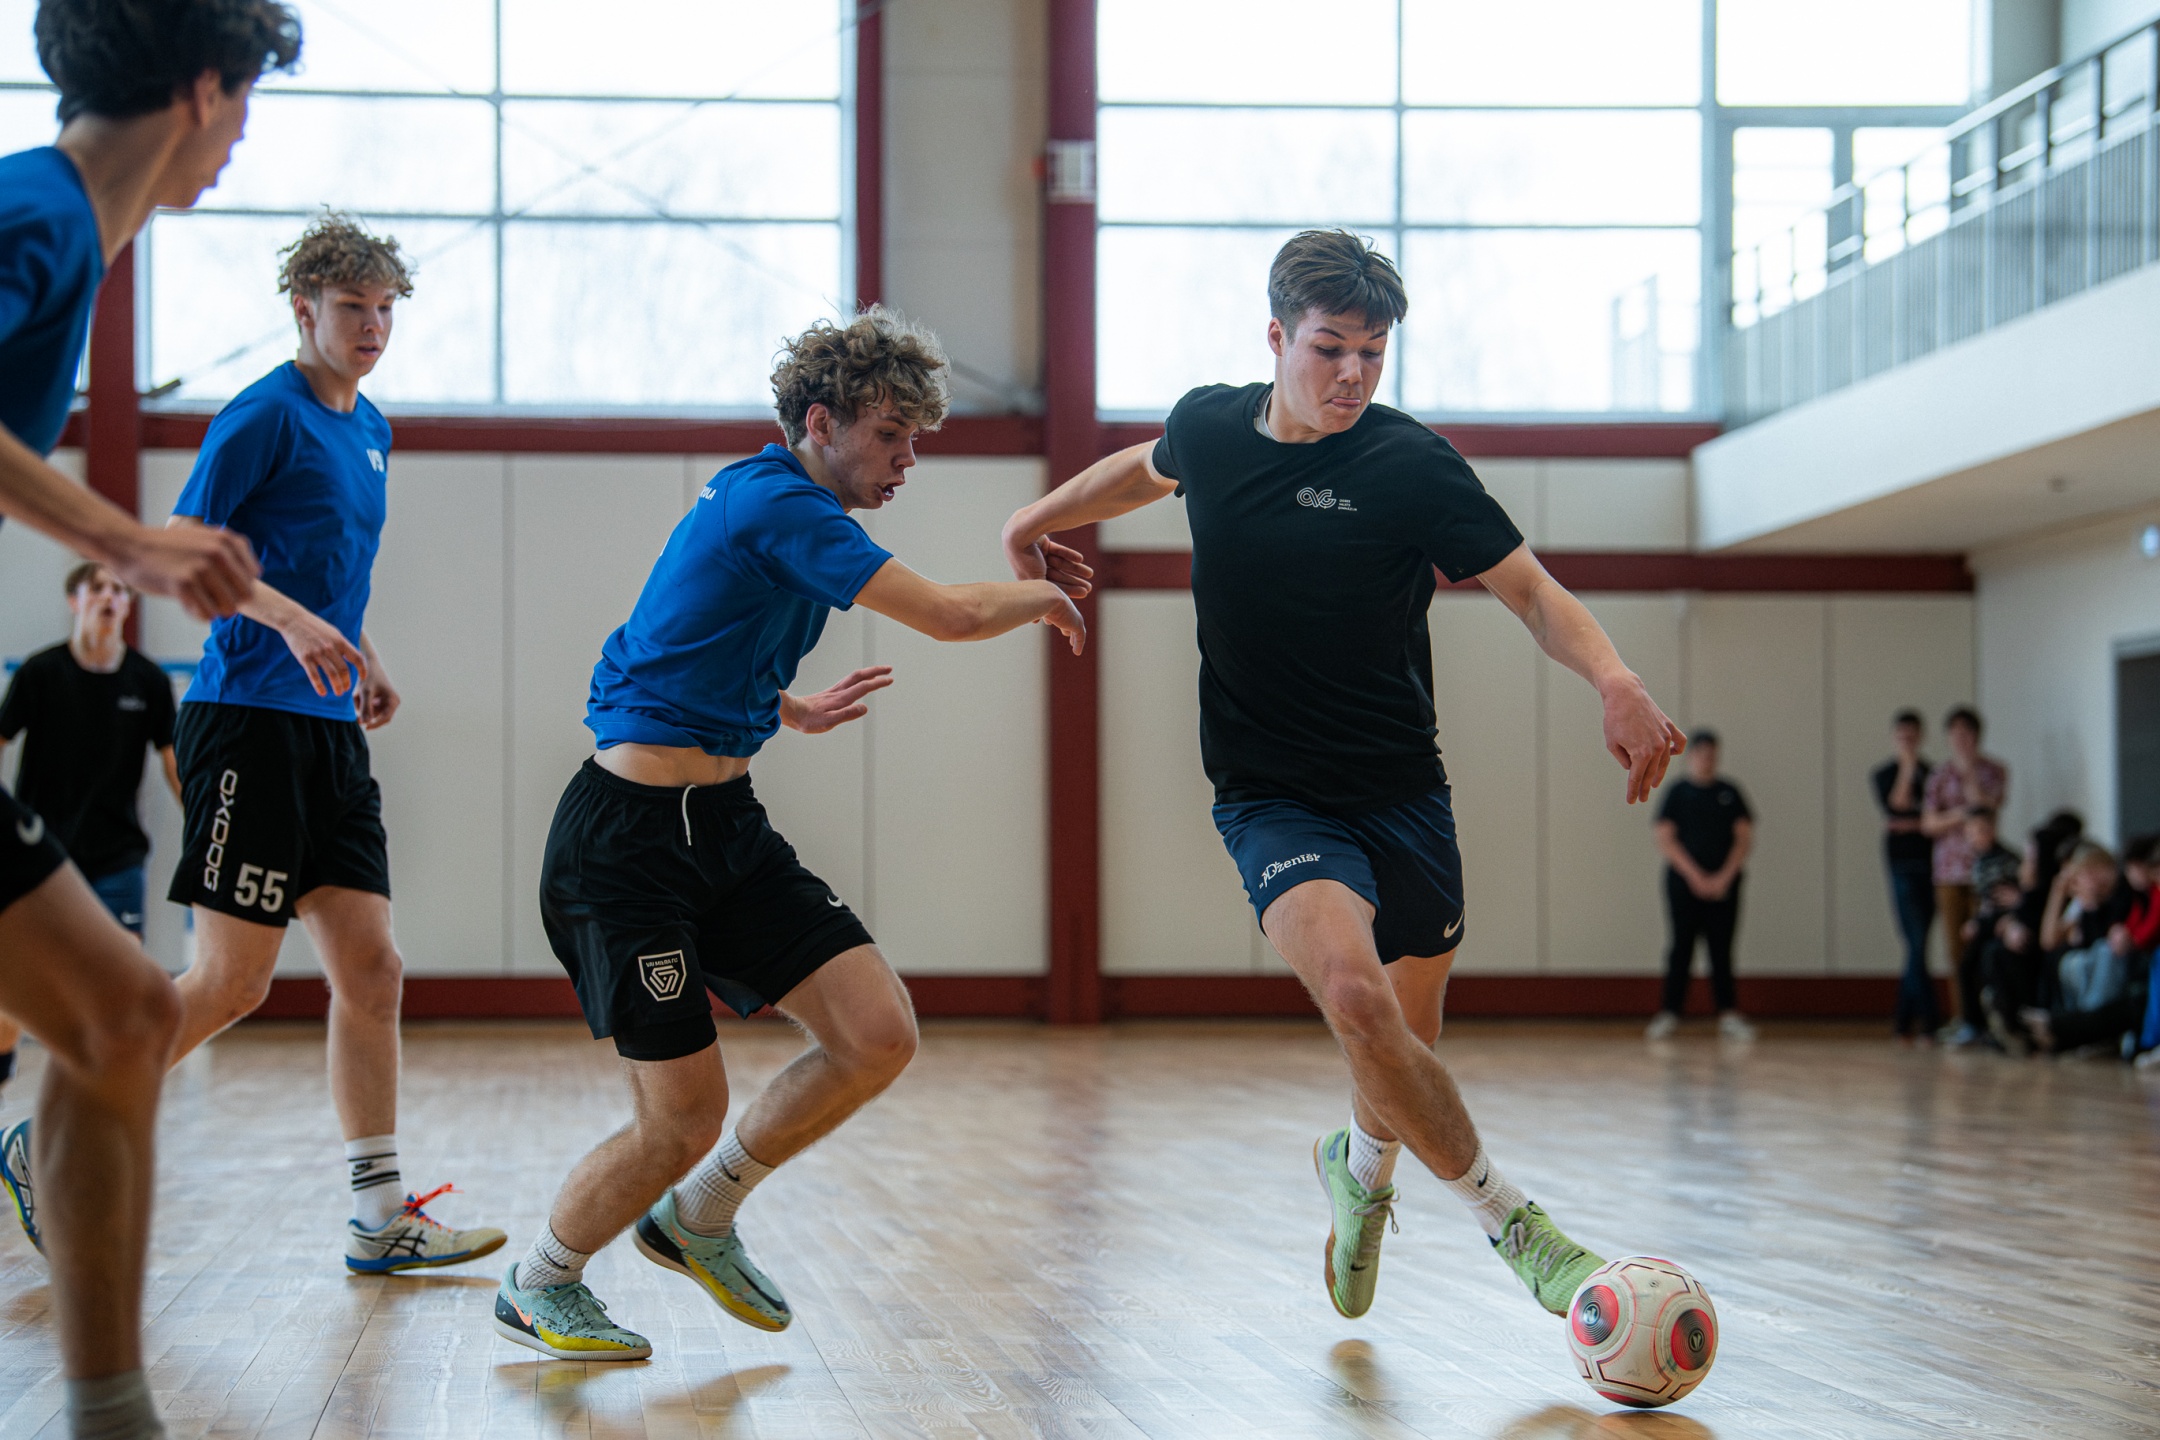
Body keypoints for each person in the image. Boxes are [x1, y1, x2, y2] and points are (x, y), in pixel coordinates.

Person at [996, 229, 1685, 1327]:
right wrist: (1033, 519)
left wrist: (1614, 676)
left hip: (1403, 790)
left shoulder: (1411, 466)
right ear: (1276, 338)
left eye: (1373, 353)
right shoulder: (1212, 427)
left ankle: (1360, 1171)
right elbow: (1146, 467)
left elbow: (1531, 591)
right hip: (1271, 796)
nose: (1353, 374)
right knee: (1358, 1000)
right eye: (1330, 349)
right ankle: (1517, 1228)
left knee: (1402, 1040)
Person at [493, 307, 1086, 1361]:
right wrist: (1042, 592)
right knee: (682, 1115)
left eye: (916, 439)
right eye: (890, 434)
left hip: (722, 825)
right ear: (820, 422)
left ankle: (700, 1217)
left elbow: (667, 641)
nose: (907, 459)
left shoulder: (773, 504)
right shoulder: (777, 504)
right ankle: (541, 1280)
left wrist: (778, 706)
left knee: (877, 1033)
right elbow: (950, 615)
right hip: (626, 847)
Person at [4, 213, 507, 1284]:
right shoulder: (263, 416)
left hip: (329, 734)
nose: (373, 327)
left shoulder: (372, 430)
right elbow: (178, 552)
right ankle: (43, 1142)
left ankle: (379, 1215)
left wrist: (361, 653)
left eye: (386, 309)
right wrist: (293, 626)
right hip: (245, 724)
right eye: (352, 307)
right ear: (303, 309)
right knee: (233, 982)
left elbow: (326, 576)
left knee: (372, 968)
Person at [0, 4, 294, 1437]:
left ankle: (112, 1416)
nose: (238, 138)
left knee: (121, 1017)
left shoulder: (62, 232)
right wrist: (128, 537)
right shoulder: (39, 212)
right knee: (121, 1013)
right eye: (244, 103)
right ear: (202, 90)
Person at [0, 563, 183, 1092]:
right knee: (17, 985)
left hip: (117, 855)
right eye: (97, 587)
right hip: (40, 855)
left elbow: (174, 766)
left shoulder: (148, 681)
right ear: (75, 601)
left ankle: (90, 1102)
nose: (110, 596)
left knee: (120, 984)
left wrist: (205, 831)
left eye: (120, 590)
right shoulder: (40, 673)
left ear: (128, 606)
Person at [1645, 731, 1756, 1043]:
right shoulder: (1678, 793)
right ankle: (1670, 1012)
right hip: (1684, 885)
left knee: (1721, 949)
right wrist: (1695, 876)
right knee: (1681, 946)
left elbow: (1743, 837)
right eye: (1702, 753)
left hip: (1724, 885)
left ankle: (1728, 1014)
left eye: (1712, 754)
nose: (1707, 760)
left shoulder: (1729, 792)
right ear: (1691, 755)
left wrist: (1724, 877)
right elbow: (1664, 837)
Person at [1921, 706, 2008, 1036]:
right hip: (1948, 870)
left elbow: (1988, 810)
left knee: (1983, 946)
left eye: (1966, 733)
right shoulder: (1939, 775)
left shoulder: (1993, 770)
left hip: (1984, 870)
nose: (1960, 739)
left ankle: (1989, 1017)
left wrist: (1970, 772)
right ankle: (1964, 1018)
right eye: (1955, 734)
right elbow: (1929, 823)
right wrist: (1961, 815)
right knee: (1956, 949)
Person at [2020, 842, 2141, 1056]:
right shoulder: (2089, 902)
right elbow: (2049, 941)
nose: (2094, 878)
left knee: (2104, 952)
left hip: (2125, 965)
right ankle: (2081, 1028)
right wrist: (2061, 894)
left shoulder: (2126, 892)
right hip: (2098, 969)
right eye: (2087, 873)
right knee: (2072, 962)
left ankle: (2081, 1030)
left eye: (2098, 869)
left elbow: (2113, 939)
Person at [1872, 709, 1937, 1040]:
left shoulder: (1934, 773)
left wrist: (1915, 824)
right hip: (1900, 864)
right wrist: (1908, 768)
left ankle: (1905, 1019)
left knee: (1919, 943)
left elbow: (1932, 819)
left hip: (1931, 863)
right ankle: (1928, 1019)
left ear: (1921, 736)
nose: (1908, 742)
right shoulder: (1884, 773)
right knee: (1914, 938)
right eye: (1902, 737)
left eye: (1912, 737)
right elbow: (1896, 805)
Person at [1949, 806, 2021, 1048]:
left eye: (1982, 830)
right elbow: (1985, 901)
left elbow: (2014, 897)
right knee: (1967, 967)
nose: (1976, 836)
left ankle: (1996, 1025)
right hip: (1988, 922)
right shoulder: (1979, 862)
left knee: (1984, 966)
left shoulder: (2008, 861)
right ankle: (1973, 1024)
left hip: (2003, 923)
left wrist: (2010, 916)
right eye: (1971, 832)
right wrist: (1976, 922)